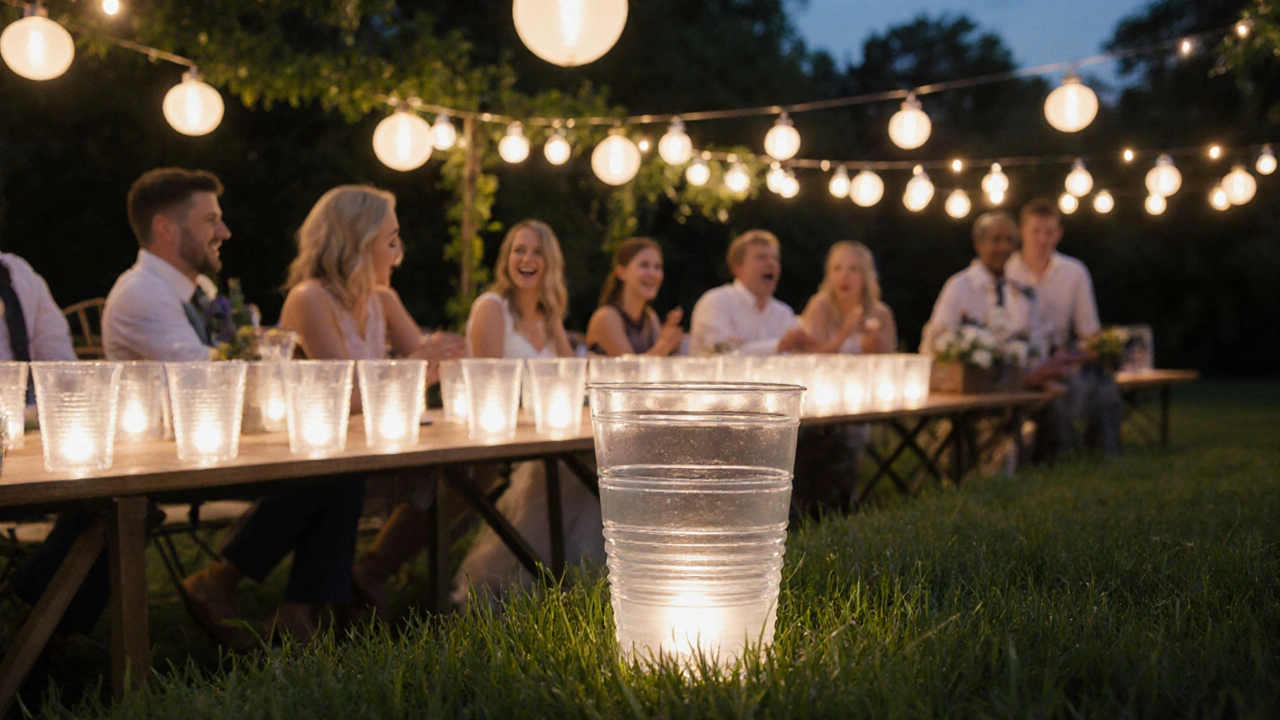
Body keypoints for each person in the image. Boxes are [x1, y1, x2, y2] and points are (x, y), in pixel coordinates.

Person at [181, 184, 463, 647]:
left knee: (455, 472)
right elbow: (341, 394)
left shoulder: (383, 300)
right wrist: (414, 370)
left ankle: (305, 598)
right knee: (338, 475)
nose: (399, 253)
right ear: (357, 239)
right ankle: (273, 597)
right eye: (391, 240)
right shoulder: (309, 299)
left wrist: (446, 359)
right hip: (307, 452)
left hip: (364, 448)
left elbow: (429, 368)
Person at [11, 168, 227, 638]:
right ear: (166, 228)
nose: (225, 232)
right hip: (155, 453)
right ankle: (36, 618)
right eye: (211, 219)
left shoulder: (20, 276)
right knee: (115, 501)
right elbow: (204, 379)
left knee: (334, 478)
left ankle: (37, 616)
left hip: (171, 447)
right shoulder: (141, 294)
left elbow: (60, 372)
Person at [451, 219, 601, 605]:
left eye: (537, 252)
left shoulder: (550, 318)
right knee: (565, 468)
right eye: (519, 249)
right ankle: (505, 584)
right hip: (498, 437)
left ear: (550, 263)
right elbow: (488, 384)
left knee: (590, 462)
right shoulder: (492, 308)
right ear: (507, 258)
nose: (527, 259)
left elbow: (573, 381)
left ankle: (574, 579)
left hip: (545, 436)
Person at [1005, 198, 1120, 459]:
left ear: (1059, 233)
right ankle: (1054, 452)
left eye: (1049, 232)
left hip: (1062, 358)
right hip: (1018, 359)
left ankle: (1099, 452)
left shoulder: (1074, 272)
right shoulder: (1006, 270)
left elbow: (1089, 330)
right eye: (1036, 231)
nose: (1042, 239)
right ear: (1022, 231)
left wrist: (1086, 354)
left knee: (1102, 388)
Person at [919, 212, 1043, 356]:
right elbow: (935, 340)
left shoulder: (1023, 292)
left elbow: (1037, 346)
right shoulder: (960, 286)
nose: (1004, 248)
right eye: (996, 240)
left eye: (1009, 241)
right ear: (979, 243)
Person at [688, 229, 816, 356]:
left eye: (775, 258)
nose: (771, 264)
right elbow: (719, 354)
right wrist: (779, 345)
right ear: (738, 268)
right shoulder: (716, 303)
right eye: (761, 257)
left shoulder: (783, 313)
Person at [585, 236, 685, 356]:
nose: (652, 273)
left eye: (657, 267)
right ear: (621, 272)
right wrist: (663, 347)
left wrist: (672, 345)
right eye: (644, 265)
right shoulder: (606, 317)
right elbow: (628, 369)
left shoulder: (650, 318)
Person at [800, 241, 897, 354]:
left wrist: (876, 347)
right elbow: (813, 357)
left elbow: (890, 359)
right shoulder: (819, 308)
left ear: (865, 277)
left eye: (853, 269)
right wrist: (844, 334)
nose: (844, 276)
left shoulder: (881, 314)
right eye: (837, 268)